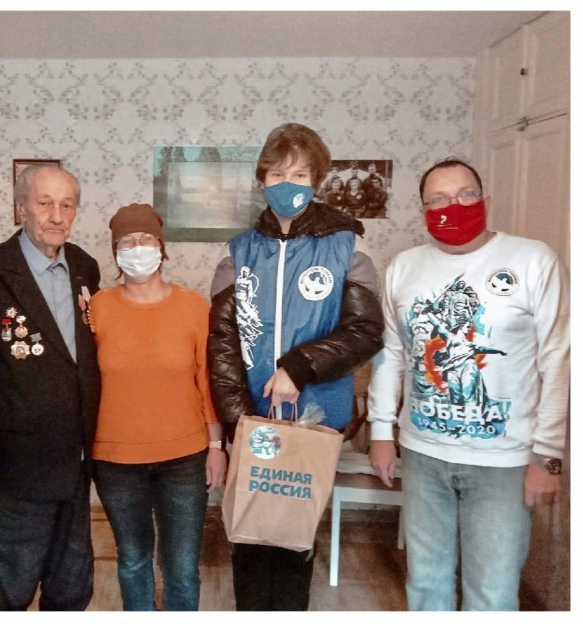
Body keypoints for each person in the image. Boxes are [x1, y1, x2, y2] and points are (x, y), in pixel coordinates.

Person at [367, 158, 570, 611]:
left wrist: (549, 456)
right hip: (422, 455)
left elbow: (558, 361)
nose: (453, 206)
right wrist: (381, 432)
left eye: (465, 194)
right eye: (438, 199)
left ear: (485, 200)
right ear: (423, 210)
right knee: (426, 586)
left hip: (504, 462)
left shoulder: (532, 260)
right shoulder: (404, 267)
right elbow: (390, 354)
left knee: (492, 595)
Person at [208, 123, 385, 610]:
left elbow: (366, 330)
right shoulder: (237, 251)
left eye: (301, 174)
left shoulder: (349, 246)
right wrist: (237, 421)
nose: (289, 183)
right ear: (261, 179)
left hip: (316, 416)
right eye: (278, 173)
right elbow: (222, 343)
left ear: (317, 180)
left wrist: (299, 367)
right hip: (251, 415)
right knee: (248, 533)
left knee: (294, 533)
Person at [0, 164, 101, 611]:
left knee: (71, 582)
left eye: (67, 205)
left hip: (75, 457)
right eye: (44, 203)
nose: (56, 216)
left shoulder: (84, 268)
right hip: (13, 464)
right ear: (21, 208)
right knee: (9, 581)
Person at [88, 203, 226, 611]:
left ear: (161, 247)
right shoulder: (96, 308)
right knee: (133, 560)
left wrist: (216, 447)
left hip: (184, 458)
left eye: (146, 239)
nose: (138, 248)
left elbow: (207, 381)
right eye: (127, 241)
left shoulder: (193, 307)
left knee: (181, 568)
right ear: (115, 252)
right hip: (115, 460)